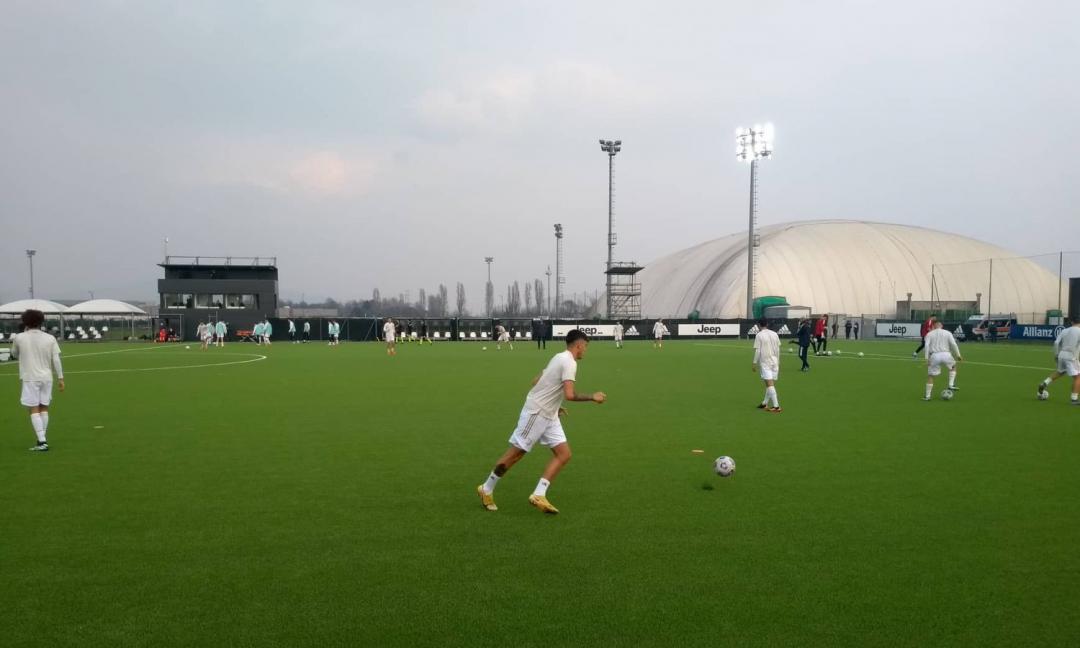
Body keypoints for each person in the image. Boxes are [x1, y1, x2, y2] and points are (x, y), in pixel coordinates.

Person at [476, 330, 606, 514]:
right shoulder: (569, 362)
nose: (585, 350)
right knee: (516, 453)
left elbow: (537, 380)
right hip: (536, 413)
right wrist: (593, 397)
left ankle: (539, 494)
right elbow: (569, 395)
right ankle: (486, 489)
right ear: (578, 345)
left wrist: (554, 405)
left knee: (564, 454)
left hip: (549, 413)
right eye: (585, 346)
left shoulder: (559, 357)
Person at [11, 309, 65, 452]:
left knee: (34, 409)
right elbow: (56, 359)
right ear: (41, 321)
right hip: (47, 378)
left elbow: (14, 354)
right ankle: (42, 438)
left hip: (30, 377)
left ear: (25, 322)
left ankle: (42, 442)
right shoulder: (50, 338)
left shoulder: (19, 337)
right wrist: (60, 378)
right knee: (44, 408)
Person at [1037, 318, 1080, 405]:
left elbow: (1056, 343)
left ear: (1072, 322)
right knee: (1078, 377)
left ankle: (1044, 383)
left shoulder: (1065, 330)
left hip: (1062, 354)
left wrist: (1056, 355)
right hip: (1071, 356)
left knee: (1060, 372)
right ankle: (1074, 399)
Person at [923, 321, 962, 400]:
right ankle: (951, 384)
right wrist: (958, 355)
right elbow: (953, 344)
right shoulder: (948, 333)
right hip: (946, 354)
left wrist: (926, 358)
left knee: (931, 376)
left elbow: (926, 346)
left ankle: (927, 396)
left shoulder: (929, 334)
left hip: (934, 355)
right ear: (941, 326)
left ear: (933, 326)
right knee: (953, 366)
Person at [753, 318, 782, 412]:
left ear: (758, 325)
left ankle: (776, 406)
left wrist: (754, 363)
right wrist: (778, 361)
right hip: (775, 361)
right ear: (767, 324)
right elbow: (778, 349)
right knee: (770, 384)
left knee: (769, 384)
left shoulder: (759, 335)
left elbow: (757, 350)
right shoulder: (774, 334)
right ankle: (764, 403)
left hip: (765, 362)